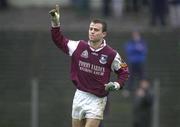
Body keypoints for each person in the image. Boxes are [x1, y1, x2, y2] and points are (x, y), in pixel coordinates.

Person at [49, 4, 129, 127]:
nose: (92, 32)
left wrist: (116, 85)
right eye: (91, 29)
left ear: (104, 34)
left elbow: (124, 72)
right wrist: (55, 23)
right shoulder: (78, 46)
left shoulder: (111, 54)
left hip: (97, 99)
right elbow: (58, 40)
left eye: (96, 30)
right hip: (80, 95)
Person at [123, 30, 147, 96]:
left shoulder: (142, 42)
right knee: (131, 77)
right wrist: (137, 48)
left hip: (140, 62)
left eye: (137, 35)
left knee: (142, 77)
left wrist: (137, 49)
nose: (136, 37)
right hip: (132, 62)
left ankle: (142, 90)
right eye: (134, 35)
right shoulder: (130, 43)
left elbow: (144, 50)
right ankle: (128, 90)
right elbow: (128, 50)